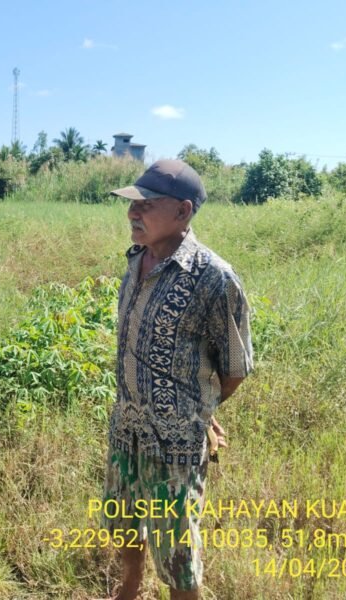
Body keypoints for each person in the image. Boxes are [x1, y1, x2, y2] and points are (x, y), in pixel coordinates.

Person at [101, 159, 253, 599]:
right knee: (125, 521)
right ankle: (127, 591)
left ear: (183, 212)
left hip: (176, 445)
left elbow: (235, 368)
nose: (133, 213)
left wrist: (199, 412)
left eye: (146, 205)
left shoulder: (214, 278)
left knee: (178, 552)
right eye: (132, 204)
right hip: (126, 428)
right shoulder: (136, 261)